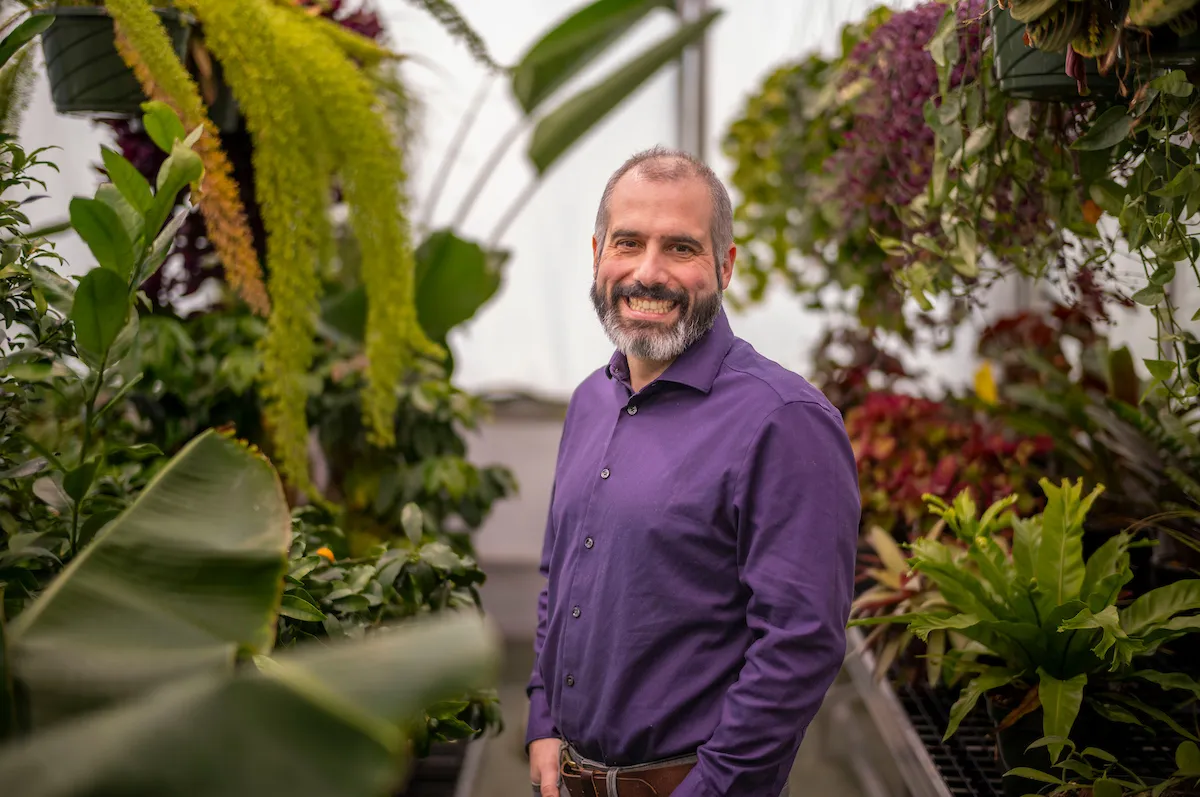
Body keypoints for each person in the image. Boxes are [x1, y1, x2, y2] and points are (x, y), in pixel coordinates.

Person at [526, 147, 861, 797]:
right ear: (598, 253)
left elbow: (799, 643)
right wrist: (543, 718)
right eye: (628, 242)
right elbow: (557, 573)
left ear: (725, 265)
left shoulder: (784, 420)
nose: (647, 272)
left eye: (680, 248)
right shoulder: (592, 400)